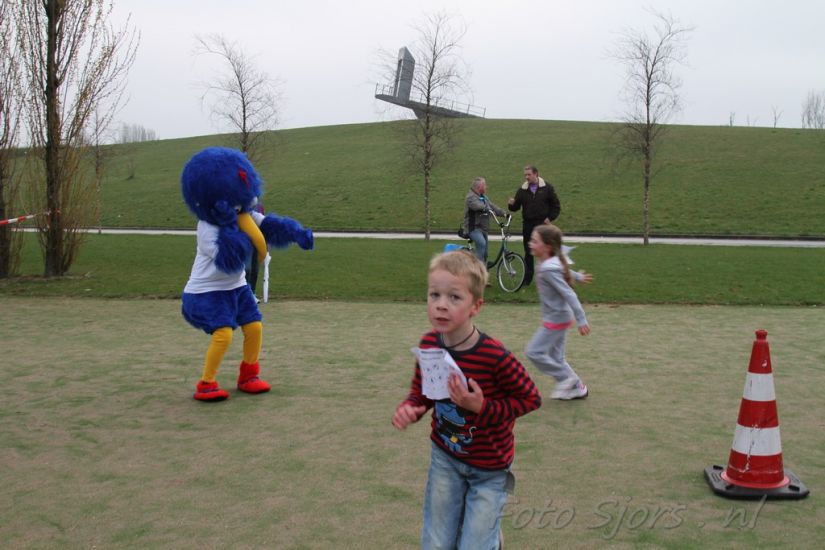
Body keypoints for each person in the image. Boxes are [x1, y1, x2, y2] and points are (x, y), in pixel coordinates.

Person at [392, 250, 542, 549]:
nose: (441, 305)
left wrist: (481, 407)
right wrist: (412, 407)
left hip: (490, 467)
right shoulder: (429, 344)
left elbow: (530, 398)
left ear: (476, 306)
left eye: (454, 297)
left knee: (475, 545)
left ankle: (489, 539)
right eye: (434, 295)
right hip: (445, 458)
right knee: (437, 542)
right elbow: (423, 391)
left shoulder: (495, 356)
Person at [525, 224, 592, 400]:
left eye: (535, 241)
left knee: (534, 352)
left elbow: (569, 294)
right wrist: (578, 276)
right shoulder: (549, 262)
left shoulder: (548, 269)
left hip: (556, 319)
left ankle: (567, 379)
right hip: (559, 316)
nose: (530, 243)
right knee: (557, 358)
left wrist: (582, 319)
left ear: (547, 247)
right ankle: (578, 388)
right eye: (531, 240)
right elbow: (564, 269)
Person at [507, 165, 561, 286]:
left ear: (536, 174)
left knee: (547, 251)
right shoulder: (522, 190)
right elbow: (515, 207)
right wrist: (511, 204)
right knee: (529, 252)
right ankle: (527, 279)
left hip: (543, 225)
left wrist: (550, 218)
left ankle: (553, 276)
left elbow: (556, 206)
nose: (527, 177)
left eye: (529, 174)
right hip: (528, 225)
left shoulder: (547, 188)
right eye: (525, 175)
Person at [462, 177, 506, 266]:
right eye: (485, 185)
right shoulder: (470, 197)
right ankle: (477, 270)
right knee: (482, 244)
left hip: (483, 228)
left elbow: (492, 206)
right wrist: (487, 209)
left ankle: (483, 270)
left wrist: (504, 214)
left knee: (485, 254)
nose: (486, 187)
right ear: (479, 187)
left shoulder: (483, 197)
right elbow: (477, 206)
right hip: (473, 228)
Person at [245, 200, 266, 301]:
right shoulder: (243, 205)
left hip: (257, 242)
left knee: (255, 268)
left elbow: (263, 224)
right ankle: (245, 294)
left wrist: (265, 241)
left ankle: (252, 293)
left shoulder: (260, 206)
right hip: (245, 241)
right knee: (247, 269)